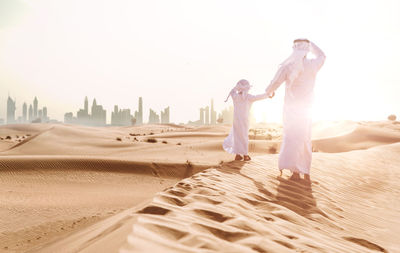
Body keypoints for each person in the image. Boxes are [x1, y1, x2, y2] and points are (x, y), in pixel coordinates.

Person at [265, 39, 325, 181]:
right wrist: (311, 45)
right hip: (306, 110)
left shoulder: (288, 66)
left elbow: (275, 82)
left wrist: (269, 92)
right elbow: (322, 56)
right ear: (307, 50)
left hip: (292, 110)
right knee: (304, 138)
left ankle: (296, 171)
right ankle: (304, 171)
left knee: (292, 138)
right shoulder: (312, 65)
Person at [223, 79, 274, 161]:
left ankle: (238, 155)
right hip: (244, 120)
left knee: (237, 137)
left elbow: (232, 90)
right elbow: (259, 97)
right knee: (244, 136)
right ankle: (245, 155)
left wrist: (238, 87)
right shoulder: (248, 97)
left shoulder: (235, 96)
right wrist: (268, 95)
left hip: (236, 120)